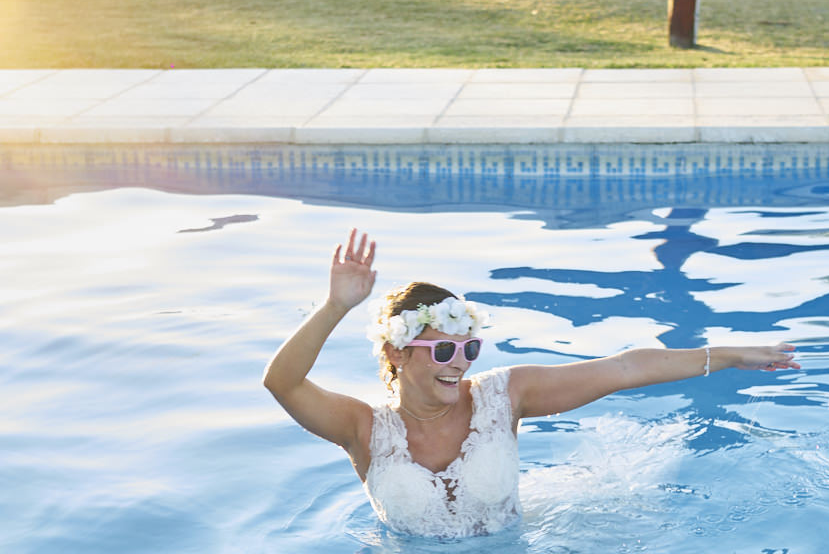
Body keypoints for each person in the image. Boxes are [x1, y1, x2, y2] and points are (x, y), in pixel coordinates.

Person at [264, 228, 799, 538]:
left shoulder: (504, 395)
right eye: (444, 350)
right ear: (395, 355)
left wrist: (729, 355)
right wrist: (336, 305)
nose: (461, 363)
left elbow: (622, 369)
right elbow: (283, 384)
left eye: (469, 347)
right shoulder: (362, 429)